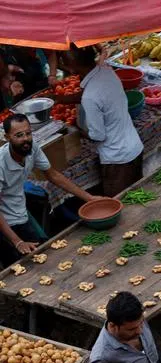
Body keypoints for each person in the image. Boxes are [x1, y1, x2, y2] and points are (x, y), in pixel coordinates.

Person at [1, 113, 97, 265]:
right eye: (19, 135)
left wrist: (89, 198)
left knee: (42, 254)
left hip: (19, 212)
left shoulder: (32, 149)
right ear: (7, 138)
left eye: (28, 133)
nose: (26, 139)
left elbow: (53, 175)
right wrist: (17, 242)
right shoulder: (1, 164)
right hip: (3, 224)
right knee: (19, 267)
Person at [60, 46, 143, 197]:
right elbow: (89, 94)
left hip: (117, 160)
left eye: (64, 61)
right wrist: (59, 99)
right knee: (137, 197)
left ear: (72, 67)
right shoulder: (107, 72)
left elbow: (98, 135)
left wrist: (76, 131)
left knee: (121, 205)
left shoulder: (90, 97)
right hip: (134, 147)